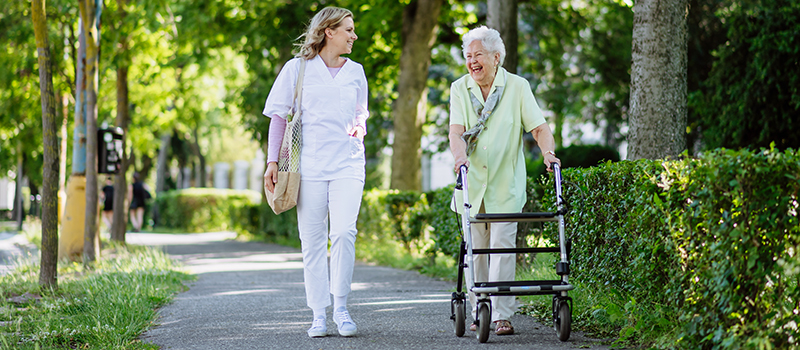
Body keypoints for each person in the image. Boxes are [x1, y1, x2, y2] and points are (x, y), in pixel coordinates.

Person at [449, 26, 562, 336]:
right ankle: (478, 308)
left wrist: (548, 153)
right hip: (471, 183)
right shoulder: (460, 88)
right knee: (476, 250)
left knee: (502, 248)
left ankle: (501, 315)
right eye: (468, 56)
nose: (472, 62)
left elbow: (539, 128)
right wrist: (459, 158)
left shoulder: (517, 87)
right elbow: (456, 132)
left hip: (505, 183)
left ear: (496, 57)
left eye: (478, 55)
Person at [262, 6, 368, 338]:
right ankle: (318, 314)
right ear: (328, 32)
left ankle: (341, 307)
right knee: (312, 241)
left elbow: (361, 113)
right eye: (348, 29)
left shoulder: (357, 72)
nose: (353, 35)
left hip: (348, 164)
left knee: (344, 233)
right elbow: (279, 117)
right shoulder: (298, 69)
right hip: (308, 167)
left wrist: (358, 128)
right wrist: (271, 163)